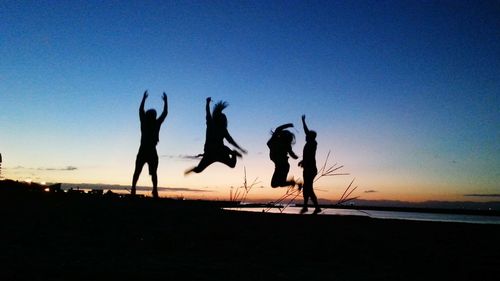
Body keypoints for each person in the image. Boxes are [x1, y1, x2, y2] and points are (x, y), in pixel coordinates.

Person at [185, 97, 247, 175]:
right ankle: (233, 153)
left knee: (231, 164)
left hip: (219, 152)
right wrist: (240, 149)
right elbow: (207, 113)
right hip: (211, 153)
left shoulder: (220, 128)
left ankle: (233, 153)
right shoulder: (212, 125)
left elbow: (231, 141)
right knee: (198, 170)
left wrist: (207, 103)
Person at [132, 90, 168, 199]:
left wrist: (144, 99)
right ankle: (138, 189)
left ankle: (153, 190)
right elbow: (164, 113)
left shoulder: (150, 123)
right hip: (146, 150)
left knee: (148, 172)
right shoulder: (150, 123)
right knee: (142, 171)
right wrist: (165, 101)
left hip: (148, 150)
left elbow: (141, 110)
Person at [298, 115, 321, 214]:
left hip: (311, 169)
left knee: (308, 187)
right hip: (307, 168)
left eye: (307, 135)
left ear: (310, 137)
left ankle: (314, 207)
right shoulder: (310, 142)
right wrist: (303, 121)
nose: (305, 136)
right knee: (306, 187)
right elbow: (306, 131)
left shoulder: (313, 143)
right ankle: (306, 206)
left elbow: (310, 155)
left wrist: (303, 161)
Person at [267, 123, 299, 187]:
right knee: (276, 184)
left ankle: (293, 183)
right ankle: (293, 183)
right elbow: (278, 129)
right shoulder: (275, 141)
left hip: (283, 166)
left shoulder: (282, 143)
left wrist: (295, 156)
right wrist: (288, 125)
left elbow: (278, 129)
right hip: (280, 166)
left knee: (276, 184)